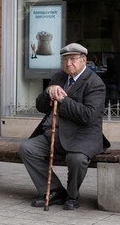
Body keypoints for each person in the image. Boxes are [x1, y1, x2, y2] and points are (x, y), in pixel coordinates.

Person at [18, 43, 111, 210]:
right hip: (54, 134)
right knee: (27, 148)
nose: (68, 64)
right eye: (65, 60)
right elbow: (41, 107)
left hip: (82, 136)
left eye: (73, 59)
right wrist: (48, 92)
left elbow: (87, 116)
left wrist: (63, 100)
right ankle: (55, 191)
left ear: (84, 61)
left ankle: (72, 195)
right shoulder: (58, 77)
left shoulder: (95, 83)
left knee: (76, 159)